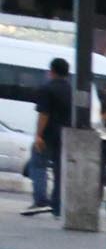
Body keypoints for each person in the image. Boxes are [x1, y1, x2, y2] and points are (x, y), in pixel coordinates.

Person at [23, 56, 66, 216]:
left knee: (38, 165)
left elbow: (44, 114)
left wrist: (38, 135)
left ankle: (40, 200)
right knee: (59, 171)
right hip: (64, 136)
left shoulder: (46, 89)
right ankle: (57, 205)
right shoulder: (70, 89)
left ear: (52, 71)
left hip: (47, 135)